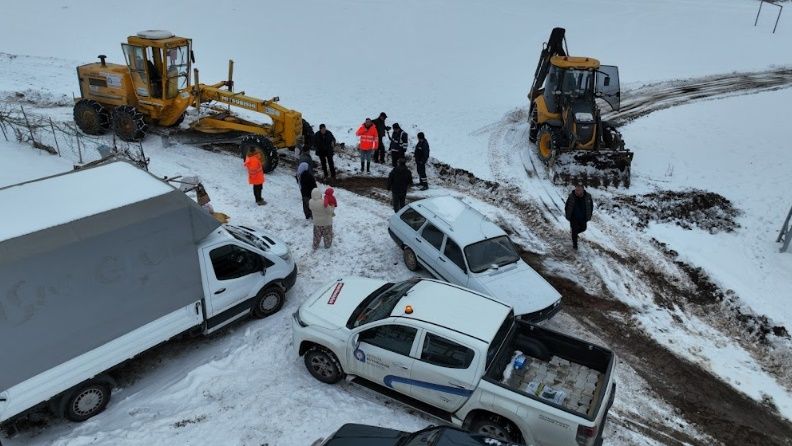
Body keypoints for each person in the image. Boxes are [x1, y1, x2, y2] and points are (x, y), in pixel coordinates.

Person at [564, 184, 594, 251]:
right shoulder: (571, 196)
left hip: (583, 217)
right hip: (573, 217)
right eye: (576, 190)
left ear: (582, 190)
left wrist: (589, 215)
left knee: (583, 228)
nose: (577, 191)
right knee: (574, 230)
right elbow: (567, 205)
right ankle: (575, 246)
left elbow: (591, 206)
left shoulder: (588, 197)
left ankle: (574, 233)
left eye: (579, 190)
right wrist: (568, 214)